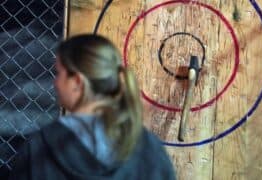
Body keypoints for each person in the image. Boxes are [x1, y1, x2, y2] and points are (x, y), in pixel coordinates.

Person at [8, 34, 176, 180]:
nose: (55, 82)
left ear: (77, 82)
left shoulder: (39, 149)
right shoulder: (148, 149)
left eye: (58, 73)